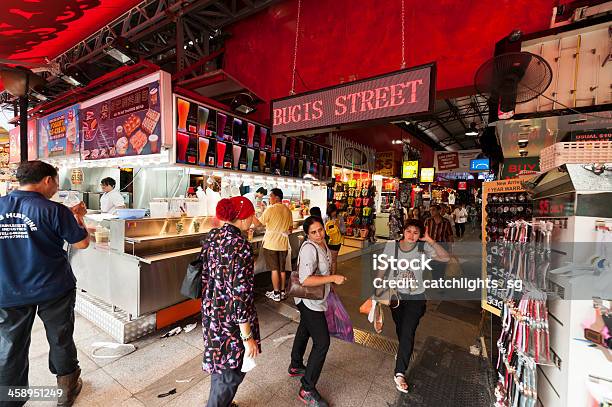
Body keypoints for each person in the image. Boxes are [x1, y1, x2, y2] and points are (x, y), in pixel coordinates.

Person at [0, 161, 90, 407]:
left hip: (8, 289)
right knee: (60, 337)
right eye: (56, 182)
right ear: (48, 180)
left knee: (10, 344)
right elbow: (82, 243)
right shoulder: (54, 210)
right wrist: (78, 218)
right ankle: (66, 390)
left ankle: (9, 400)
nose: (56, 188)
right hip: (53, 287)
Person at [201, 197, 260, 407]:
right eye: (252, 214)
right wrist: (247, 336)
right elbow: (239, 294)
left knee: (220, 365)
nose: (254, 219)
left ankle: (222, 403)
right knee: (231, 373)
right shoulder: (240, 245)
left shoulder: (213, 235)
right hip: (230, 321)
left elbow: (206, 274)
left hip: (213, 312)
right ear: (243, 218)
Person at [380, 220, 449, 393]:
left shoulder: (422, 248)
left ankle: (399, 372)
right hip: (396, 296)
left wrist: (430, 240)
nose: (411, 235)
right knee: (401, 328)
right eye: (408, 231)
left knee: (408, 331)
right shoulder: (392, 246)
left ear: (421, 234)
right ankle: (404, 351)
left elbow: (445, 257)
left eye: (416, 232)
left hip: (416, 296)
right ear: (403, 231)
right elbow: (383, 267)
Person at [289, 216, 347, 407]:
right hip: (309, 301)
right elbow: (305, 280)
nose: (318, 234)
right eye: (313, 232)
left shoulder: (323, 244)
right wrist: (333, 277)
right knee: (322, 342)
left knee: (305, 329)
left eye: (320, 229)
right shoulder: (308, 249)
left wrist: (331, 284)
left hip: (316, 299)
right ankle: (307, 388)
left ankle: (296, 364)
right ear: (307, 234)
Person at [252, 188, 293, 302]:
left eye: (270, 196)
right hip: (283, 244)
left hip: (271, 244)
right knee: (282, 269)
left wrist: (251, 214)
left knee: (274, 269)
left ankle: (276, 292)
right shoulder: (287, 210)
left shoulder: (271, 209)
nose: (269, 198)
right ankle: (282, 291)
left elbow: (258, 225)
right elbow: (290, 229)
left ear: (276, 198)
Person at [324, 204, 346, 274]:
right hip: (327, 241)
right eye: (331, 212)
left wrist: (338, 226)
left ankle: (333, 275)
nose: (333, 213)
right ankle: (328, 274)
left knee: (333, 259)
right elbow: (323, 229)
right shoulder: (325, 218)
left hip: (336, 242)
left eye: (334, 211)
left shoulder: (340, 218)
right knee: (327, 259)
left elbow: (344, 230)